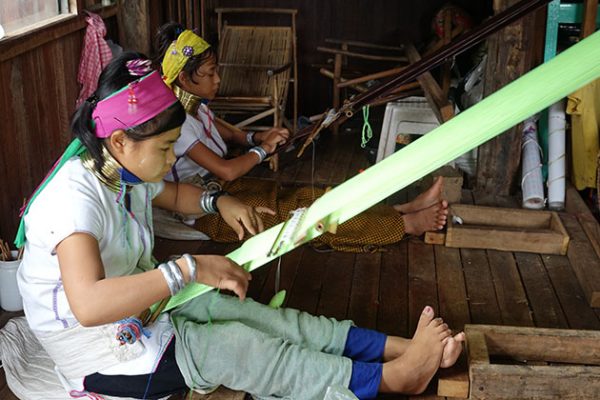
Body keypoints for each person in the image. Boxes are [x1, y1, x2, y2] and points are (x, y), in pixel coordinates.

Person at [15, 52, 464, 400]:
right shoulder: (73, 202)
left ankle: (400, 348)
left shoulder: (121, 173)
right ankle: (392, 379)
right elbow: (89, 305)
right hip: (101, 352)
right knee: (241, 349)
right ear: (119, 141)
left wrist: (218, 200)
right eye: (166, 148)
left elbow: (174, 194)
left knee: (269, 321)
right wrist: (188, 269)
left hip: (143, 312)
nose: (173, 159)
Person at [155, 24, 449, 252]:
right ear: (183, 79)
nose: (217, 79)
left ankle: (398, 210)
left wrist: (259, 136)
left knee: (311, 197)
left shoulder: (196, 108)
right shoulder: (176, 122)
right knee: (301, 217)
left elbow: (231, 133)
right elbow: (227, 169)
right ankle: (404, 225)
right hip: (208, 212)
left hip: (229, 188)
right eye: (209, 73)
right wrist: (263, 150)